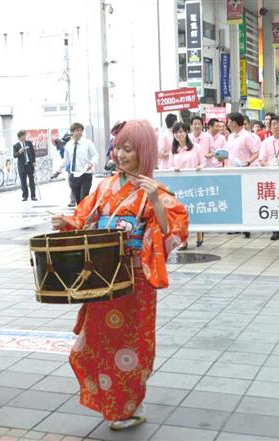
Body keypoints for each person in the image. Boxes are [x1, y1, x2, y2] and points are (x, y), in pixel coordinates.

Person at [51, 119, 188, 431]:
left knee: (132, 345)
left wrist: (155, 201)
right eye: (119, 147)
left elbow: (174, 233)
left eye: (130, 149)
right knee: (97, 342)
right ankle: (114, 402)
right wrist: (68, 222)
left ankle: (131, 405)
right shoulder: (104, 186)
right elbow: (84, 214)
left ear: (144, 153)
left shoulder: (154, 191)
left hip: (134, 282)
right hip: (102, 278)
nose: (121, 154)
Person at [171, 122, 205, 248]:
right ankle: (183, 240)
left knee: (195, 210)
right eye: (176, 132)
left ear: (186, 132)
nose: (179, 134)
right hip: (180, 187)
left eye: (181, 131)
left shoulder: (196, 147)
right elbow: (170, 165)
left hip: (195, 185)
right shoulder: (173, 150)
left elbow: (203, 162)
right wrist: (174, 168)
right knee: (180, 214)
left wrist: (200, 167)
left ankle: (199, 235)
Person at [54, 122, 99, 204]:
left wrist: (91, 163)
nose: (79, 132)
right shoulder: (68, 145)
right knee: (78, 200)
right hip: (74, 175)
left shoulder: (88, 143)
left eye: (81, 131)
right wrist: (58, 170)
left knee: (84, 198)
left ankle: (84, 216)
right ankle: (80, 215)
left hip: (86, 174)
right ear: (72, 132)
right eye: (77, 130)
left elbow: (95, 155)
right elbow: (66, 160)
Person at [13, 130, 37, 201]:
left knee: (31, 181)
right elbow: (14, 155)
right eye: (23, 136)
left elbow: (33, 153)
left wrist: (34, 161)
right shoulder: (16, 146)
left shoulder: (29, 143)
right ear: (19, 137)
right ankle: (25, 196)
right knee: (23, 182)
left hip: (29, 165)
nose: (24, 137)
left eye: (25, 135)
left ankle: (33, 196)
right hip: (21, 166)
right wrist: (20, 151)